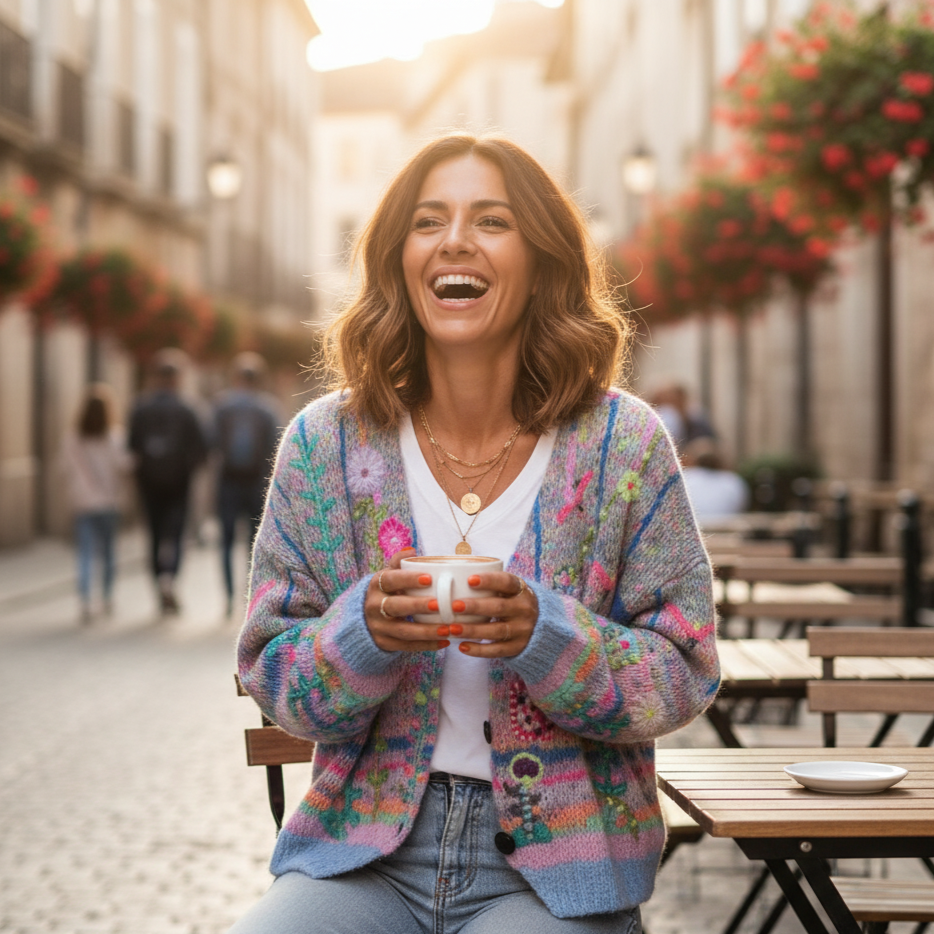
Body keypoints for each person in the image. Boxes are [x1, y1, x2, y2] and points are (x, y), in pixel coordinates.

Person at [233, 134, 719, 934]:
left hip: (555, 873)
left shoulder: (622, 445)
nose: (455, 239)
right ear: (399, 259)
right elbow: (270, 670)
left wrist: (546, 635)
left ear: (542, 261)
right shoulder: (325, 445)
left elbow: (685, 669)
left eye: (491, 220)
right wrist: (363, 635)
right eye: (429, 221)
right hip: (363, 858)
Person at [128, 348, 208, 615]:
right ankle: (170, 577)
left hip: (148, 484)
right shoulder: (188, 409)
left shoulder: (141, 408)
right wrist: (187, 471)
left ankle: (157, 583)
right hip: (179, 484)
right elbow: (201, 449)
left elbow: (131, 448)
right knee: (175, 535)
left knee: (153, 534)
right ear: (178, 379)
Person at [212, 352, 283, 617]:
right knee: (255, 545)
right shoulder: (267, 408)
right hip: (258, 485)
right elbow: (278, 447)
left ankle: (229, 597)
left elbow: (212, 443)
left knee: (226, 542)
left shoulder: (222, 405)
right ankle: (251, 598)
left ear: (236, 377)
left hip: (228, 482)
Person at [61, 383, 132, 623]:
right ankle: (107, 597)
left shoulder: (72, 439)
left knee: (86, 553)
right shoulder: (115, 436)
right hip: (108, 502)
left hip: (83, 502)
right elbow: (124, 466)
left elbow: (65, 469)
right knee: (109, 552)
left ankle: (85, 601)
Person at [680, 437, 750, 528]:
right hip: (725, 528)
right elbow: (741, 506)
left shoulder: (686, 477)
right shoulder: (733, 480)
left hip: (694, 528)